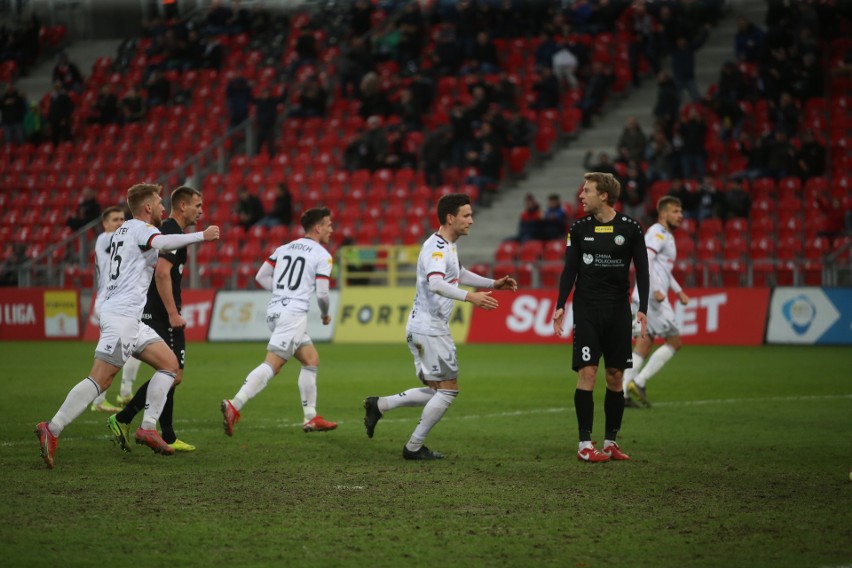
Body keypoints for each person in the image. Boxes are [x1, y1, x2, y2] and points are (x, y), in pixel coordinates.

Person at [35, 183, 220, 469]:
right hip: (121, 318)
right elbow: (163, 243)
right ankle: (53, 427)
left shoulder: (122, 231)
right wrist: (201, 236)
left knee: (169, 365)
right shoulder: (140, 229)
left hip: (130, 317)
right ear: (147, 208)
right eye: (159, 202)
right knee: (101, 379)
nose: (162, 208)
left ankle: (147, 427)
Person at [362, 193, 518, 460]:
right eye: (466, 215)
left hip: (422, 327)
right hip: (430, 329)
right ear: (450, 218)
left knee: (437, 389)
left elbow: (458, 273)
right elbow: (436, 282)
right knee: (448, 391)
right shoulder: (436, 248)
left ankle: (380, 404)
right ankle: (413, 447)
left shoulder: (446, 245)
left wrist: (492, 284)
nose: (471, 220)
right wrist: (471, 297)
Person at [552, 172, 649, 462]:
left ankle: (609, 442)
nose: (581, 196)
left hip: (619, 311)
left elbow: (643, 270)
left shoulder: (631, 227)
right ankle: (584, 444)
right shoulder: (579, 228)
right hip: (587, 310)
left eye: (587, 191)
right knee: (588, 373)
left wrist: (642, 307)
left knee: (616, 376)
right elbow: (570, 269)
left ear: (603, 196)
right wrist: (560, 304)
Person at [221, 207, 339, 437]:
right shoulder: (322, 254)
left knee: (311, 360)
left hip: (275, 311)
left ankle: (311, 417)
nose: (331, 229)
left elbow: (261, 276)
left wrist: (283, 293)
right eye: (328, 224)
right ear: (317, 227)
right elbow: (323, 294)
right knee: (273, 365)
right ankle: (234, 404)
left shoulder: (283, 248)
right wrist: (325, 314)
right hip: (293, 315)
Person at [108, 186, 206, 453]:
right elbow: (162, 273)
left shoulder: (173, 231)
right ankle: (126, 419)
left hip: (153, 310)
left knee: (170, 373)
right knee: (172, 372)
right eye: (197, 206)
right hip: (162, 313)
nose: (201, 211)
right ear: (183, 206)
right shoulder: (172, 231)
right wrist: (173, 313)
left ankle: (164, 432)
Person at [622, 196, 688, 408]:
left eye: (680, 211)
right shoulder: (657, 233)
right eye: (675, 211)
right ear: (663, 214)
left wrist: (678, 291)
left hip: (645, 295)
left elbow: (664, 270)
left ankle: (621, 392)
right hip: (651, 297)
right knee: (674, 342)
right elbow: (645, 259)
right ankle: (639, 382)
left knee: (644, 343)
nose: (680, 215)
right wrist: (658, 290)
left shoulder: (665, 235)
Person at [89, 206, 133, 413]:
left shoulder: (122, 243)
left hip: (118, 303)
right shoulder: (104, 239)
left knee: (129, 347)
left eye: (123, 219)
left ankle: (123, 392)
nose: (120, 223)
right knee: (111, 354)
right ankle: (100, 400)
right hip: (108, 304)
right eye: (115, 219)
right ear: (105, 224)